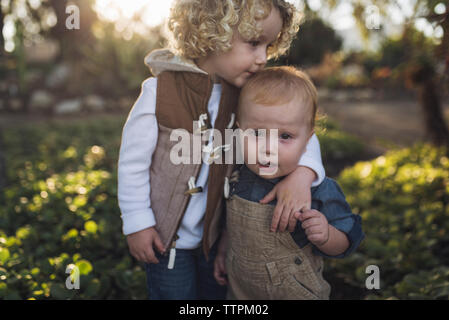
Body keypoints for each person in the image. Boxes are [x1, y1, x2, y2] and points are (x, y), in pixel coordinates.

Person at [118, 0, 326, 300]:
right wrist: (138, 223)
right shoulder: (158, 92)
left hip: (217, 239)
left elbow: (298, 130)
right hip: (165, 242)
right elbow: (132, 164)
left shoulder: (246, 94)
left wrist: (303, 174)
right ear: (212, 32)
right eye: (254, 43)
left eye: (268, 47)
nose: (262, 58)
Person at [214, 66, 365, 300]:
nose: (268, 148)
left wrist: (327, 236)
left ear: (308, 139)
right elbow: (231, 221)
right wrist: (225, 249)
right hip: (240, 290)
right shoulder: (238, 174)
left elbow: (349, 237)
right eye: (256, 133)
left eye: (285, 136)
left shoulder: (317, 188)